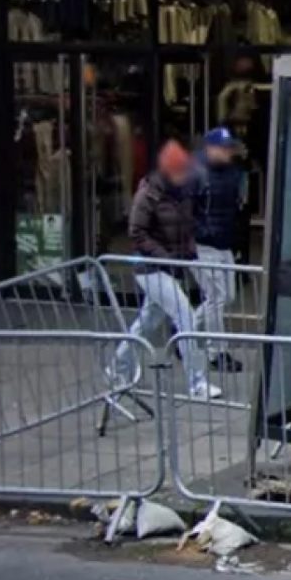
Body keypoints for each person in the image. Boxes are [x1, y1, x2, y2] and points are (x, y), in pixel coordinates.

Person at [120, 140, 221, 400]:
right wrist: (165, 257)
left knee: (147, 321)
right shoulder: (149, 193)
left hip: (169, 264)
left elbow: (186, 226)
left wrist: (189, 253)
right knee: (185, 315)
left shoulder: (182, 192)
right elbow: (137, 232)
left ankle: (118, 365)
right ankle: (196, 382)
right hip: (150, 268)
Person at [191, 127, 245, 373]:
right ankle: (217, 352)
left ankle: (186, 328)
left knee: (227, 296)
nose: (227, 152)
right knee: (217, 298)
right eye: (222, 147)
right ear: (209, 148)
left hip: (224, 242)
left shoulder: (232, 173)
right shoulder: (195, 172)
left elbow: (236, 207)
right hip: (203, 244)